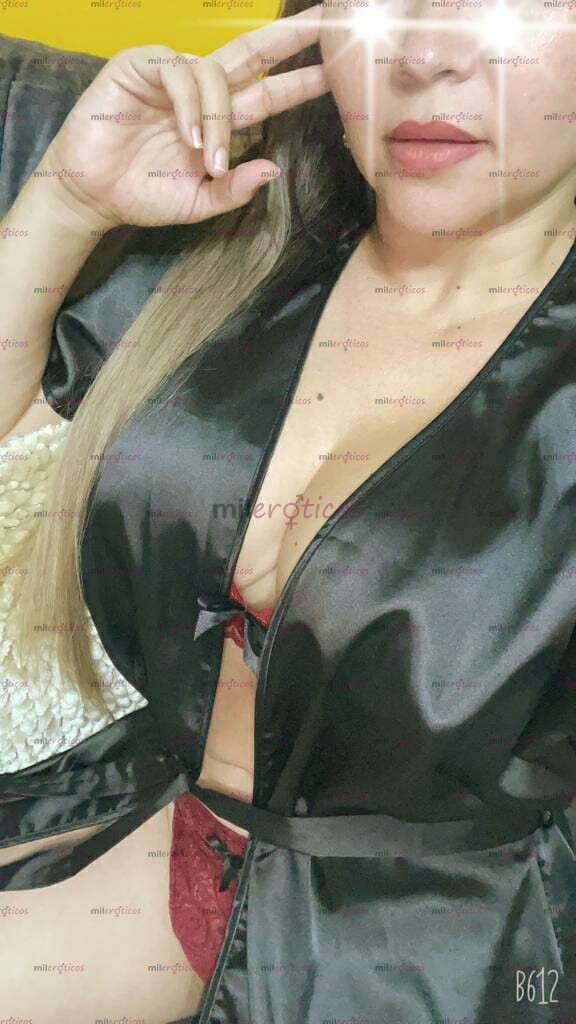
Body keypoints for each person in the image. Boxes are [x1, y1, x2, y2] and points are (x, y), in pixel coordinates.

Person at [0, 0, 575, 1021]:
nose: (423, 53)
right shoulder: (242, 245)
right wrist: (66, 205)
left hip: (432, 956)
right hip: (157, 828)